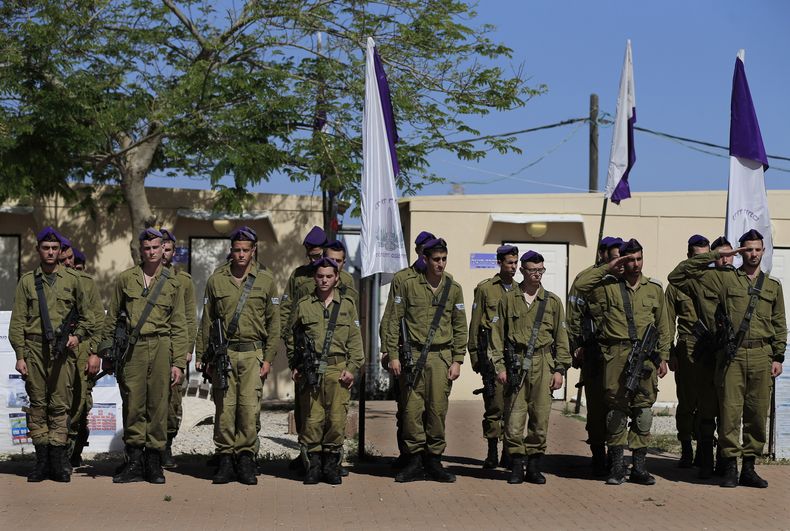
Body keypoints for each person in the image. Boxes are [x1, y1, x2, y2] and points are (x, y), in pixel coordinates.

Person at [668, 229, 786, 488]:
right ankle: (730, 467)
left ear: (763, 251)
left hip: (761, 355)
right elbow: (677, 276)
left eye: (757, 249)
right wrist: (716, 254)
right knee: (730, 413)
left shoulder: (772, 286)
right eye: (747, 250)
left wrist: (778, 355)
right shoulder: (725, 280)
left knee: (756, 415)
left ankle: (749, 468)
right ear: (740, 252)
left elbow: (779, 322)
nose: (752, 254)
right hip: (732, 355)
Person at [574, 238, 670, 485]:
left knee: (643, 411)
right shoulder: (607, 286)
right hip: (616, 354)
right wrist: (610, 265)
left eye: (639, 259)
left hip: (647, 357)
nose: (635, 264)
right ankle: (616, 467)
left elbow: (663, 326)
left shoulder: (654, 289)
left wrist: (664, 357)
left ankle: (638, 467)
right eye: (630, 260)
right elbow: (581, 284)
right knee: (616, 410)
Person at [99, 228, 188, 484]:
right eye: (146, 248)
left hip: (161, 346)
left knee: (158, 406)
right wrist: (106, 351)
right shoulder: (126, 279)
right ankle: (134, 461)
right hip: (132, 349)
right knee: (133, 404)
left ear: (164, 250)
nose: (151, 252)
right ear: (141, 250)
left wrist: (178, 362)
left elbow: (179, 325)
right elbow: (112, 316)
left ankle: (154, 463)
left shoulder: (173, 283)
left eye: (155, 248)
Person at [9, 227, 96, 482]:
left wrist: (77, 336)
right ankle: (42, 460)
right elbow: (18, 322)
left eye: (54, 249)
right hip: (35, 350)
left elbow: (89, 317)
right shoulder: (27, 281)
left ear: (60, 251)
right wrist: (20, 355)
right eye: (45, 248)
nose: (50, 252)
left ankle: (59, 462)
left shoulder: (73, 279)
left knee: (60, 406)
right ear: (38, 250)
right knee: (37, 405)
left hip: (63, 352)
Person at [196, 226, 279, 485]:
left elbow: (273, 324)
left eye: (246, 250)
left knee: (249, 409)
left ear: (253, 251)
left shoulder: (266, 280)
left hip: (253, 353)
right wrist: (203, 356)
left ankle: (245, 458)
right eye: (236, 250)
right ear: (230, 251)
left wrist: (267, 359)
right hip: (225, 354)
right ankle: (224, 458)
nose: (241, 254)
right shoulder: (216, 280)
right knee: (224, 408)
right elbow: (207, 322)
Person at [386, 237, 467, 483]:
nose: (440, 264)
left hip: (441, 358)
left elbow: (460, 325)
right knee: (411, 411)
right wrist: (393, 355)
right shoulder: (409, 284)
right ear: (425, 259)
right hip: (412, 357)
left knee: (437, 410)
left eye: (444, 259)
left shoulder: (453, 287)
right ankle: (413, 461)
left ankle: (434, 461)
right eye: (436, 259)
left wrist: (458, 360)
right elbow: (393, 319)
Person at [490, 251, 570, 484]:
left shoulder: (553, 302)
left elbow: (562, 338)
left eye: (541, 270)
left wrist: (560, 369)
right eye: (533, 270)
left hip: (543, 362)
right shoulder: (507, 300)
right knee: (514, 418)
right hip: (515, 363)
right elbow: (496, 336)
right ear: (523, 271)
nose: (537, 275)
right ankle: (516, 465)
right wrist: (500, 366)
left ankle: (534, 466)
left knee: (540, 416)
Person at [286, 257, 363, 485]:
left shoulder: (347, 305)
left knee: (336, 420)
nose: (324, 280)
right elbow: (291, 337)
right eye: (320, 276)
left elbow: (355, 341)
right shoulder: (303, 305)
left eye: (329, 276)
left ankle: (331, 466)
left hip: (337, 370)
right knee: (312, 419)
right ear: (314, 278)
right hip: (310, 370)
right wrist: (295, 365)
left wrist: (352, 368)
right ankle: (313, 466)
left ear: (337, 278)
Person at [566, 236, 622, 476]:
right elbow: (574, 314)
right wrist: (575, 346)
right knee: (598, 408)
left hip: (621, 355)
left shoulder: (624, 278)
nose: (620, 261)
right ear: (603, 255)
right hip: (595, 353)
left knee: (618, 406)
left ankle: (616, 457)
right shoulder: (588, 279)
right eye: (615, 256)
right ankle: (599, 456)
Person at [379, 230, 434, 468]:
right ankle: (408, 456)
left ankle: (429, 458)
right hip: (408, 354)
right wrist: (389, 352)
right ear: (418, 251)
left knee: (432, 410)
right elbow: (391, 318)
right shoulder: (403, 279)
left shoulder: (441, 281)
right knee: (408, 410)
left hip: (434, 355)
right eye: (423, 251)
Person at [280, 225, 328, 471]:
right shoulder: (298, 276)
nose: (313, 260)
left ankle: (328, 456)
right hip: (303, 349)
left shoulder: (335, 275)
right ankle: (305, 451)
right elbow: (286, 310)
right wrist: (287, 340)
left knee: (327, 405)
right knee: (303, 405)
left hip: (329, 349)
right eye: (310, 255)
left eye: (317, 255)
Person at [467, 244, 519, 469]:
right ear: (499, 262)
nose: (514, 267)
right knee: (495, 405)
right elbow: (475, 323)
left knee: (513, 407)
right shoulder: (486, 289)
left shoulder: (520, 290)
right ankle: (491, 451)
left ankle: (509, 452)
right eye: (510, 262)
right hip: (491, 355)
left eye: (516, 263)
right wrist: (474, 356)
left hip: (514, 356)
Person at [58, 240, 105, 470]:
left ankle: (71, 452)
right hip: (57, 352)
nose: (68, 263)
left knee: (80, 403)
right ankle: (57, 453)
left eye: (71, 260)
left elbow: (98, 322)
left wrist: (95, 352)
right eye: (64, 260)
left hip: (82, 351)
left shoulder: (86, 283)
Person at [665, 234, 710, 468]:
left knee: (708, 401)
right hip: (687, 345)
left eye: (705, 257)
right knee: (687, 400)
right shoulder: (675, 286)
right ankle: (685, 448)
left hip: (711, 346)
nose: (700, 262)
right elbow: (667, 321)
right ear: (688, 257)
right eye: (696, 257)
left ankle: (704, 448)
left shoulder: (716, 280)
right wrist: (669, 353)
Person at [160, 228, 197, 469]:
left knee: (172, 401)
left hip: (175, 349)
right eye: (159, 247)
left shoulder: (183, 281)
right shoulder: (141, 277)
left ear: (174, 252)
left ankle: (166, 446)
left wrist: (187, 349)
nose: (162, 252)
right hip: (149, 350)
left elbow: (190, 318)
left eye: (167, 248)